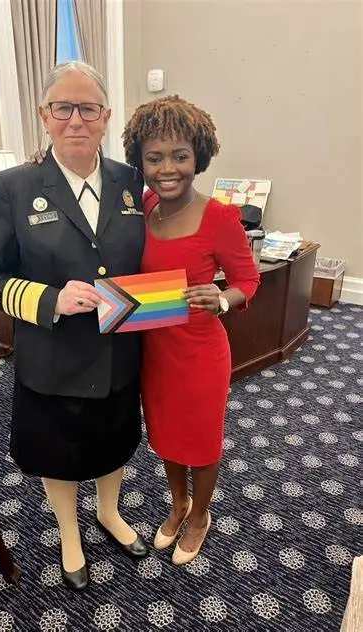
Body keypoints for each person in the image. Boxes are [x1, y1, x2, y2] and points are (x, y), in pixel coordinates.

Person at [0, 61, 148, 592]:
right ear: (43, 116)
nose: (76, 120)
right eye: (63, 108)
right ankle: (70, 531)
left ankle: (109, 512)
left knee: (114, 442)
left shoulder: (130, 181)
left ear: (106, 117)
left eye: (88, 108)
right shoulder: (13, 187)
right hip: (52, 357)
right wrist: (50, 299)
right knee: (60, 452)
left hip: (118, 353)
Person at [122, 95, 260, 565]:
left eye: (180, 156)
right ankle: (178, 503)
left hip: (200, 352)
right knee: (165, 435)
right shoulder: (143, 207)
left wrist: (221, 299)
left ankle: (200, 515)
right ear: (140, 162)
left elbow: (248, 280)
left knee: (200, 440)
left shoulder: (218, 217)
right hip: (154, 349)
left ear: (198, 156)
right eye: (154, 158)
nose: (167, 169)